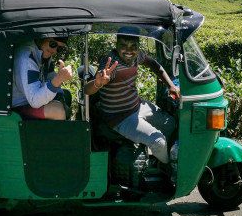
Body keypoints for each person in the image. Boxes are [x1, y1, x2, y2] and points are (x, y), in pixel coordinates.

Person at [84, 34, 180, 164]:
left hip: (137, 106)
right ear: (116, 46)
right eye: (123, 45)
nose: (128, 50)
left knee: (171, 124)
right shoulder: (112, 64)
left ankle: (161, 158)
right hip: (120, 117)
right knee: (158, 142)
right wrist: (98, 83)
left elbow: (152, 63)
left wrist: (171, 86)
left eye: (133, 46)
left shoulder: (137, 56)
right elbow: (87, 90)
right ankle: (169, 168)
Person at [12, 36, 73, 120]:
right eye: (53, 44)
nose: (55, 50)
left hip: (30, 101)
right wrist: (58, 79)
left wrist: (61, 99)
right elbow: (34, 100)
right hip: (18, 108)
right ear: (43, 37)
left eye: (59, 48)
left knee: (65, 95)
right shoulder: (26, 57)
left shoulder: (44, 54)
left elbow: (50, 77)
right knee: (57, 110)